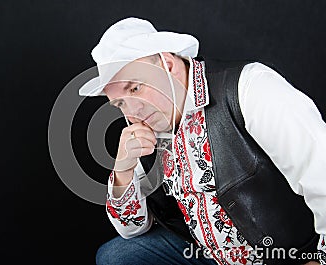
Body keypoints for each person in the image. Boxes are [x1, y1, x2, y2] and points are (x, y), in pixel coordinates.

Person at [78, 17, 326, 265]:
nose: (133, 112)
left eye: (135, 88)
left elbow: (320, 170)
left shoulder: (249, 87)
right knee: (117, 257)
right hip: (204, 254)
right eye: (119, 103)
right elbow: (132, 229)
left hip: (279, 257)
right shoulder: (145, 129)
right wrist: (124, 168)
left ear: (167, 63)